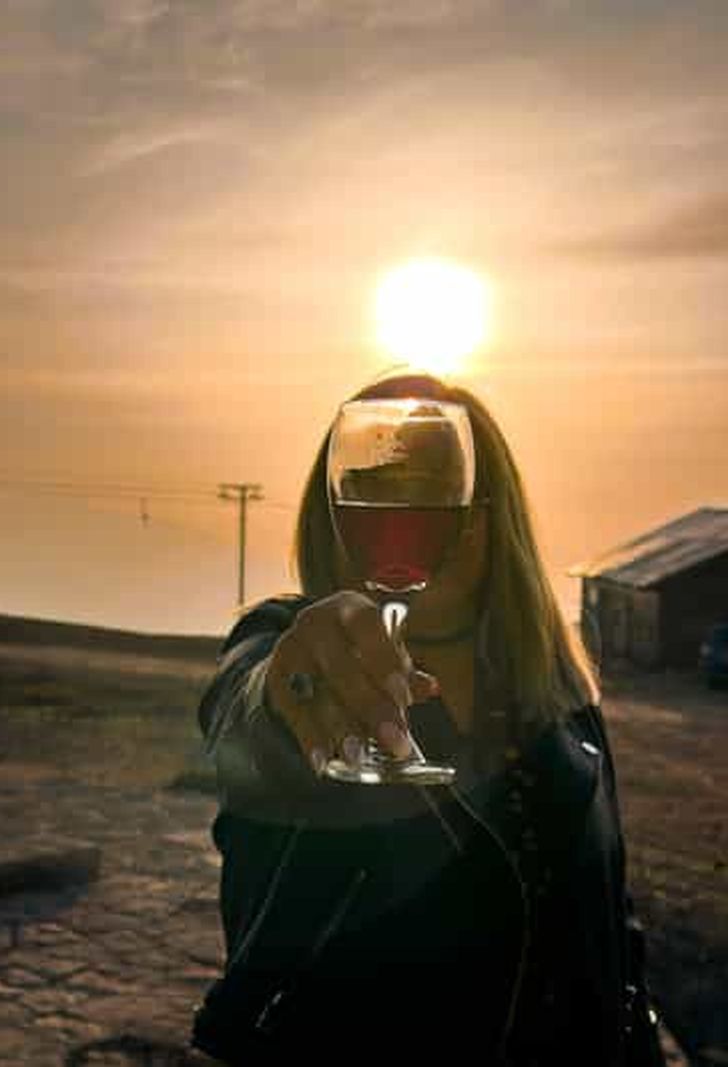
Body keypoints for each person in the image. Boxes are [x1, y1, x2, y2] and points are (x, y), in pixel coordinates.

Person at [189, 373, 666, 1066]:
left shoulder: (566, 709)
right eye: (380, 484)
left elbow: (617, 942)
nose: (411, 513)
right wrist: (286, 691)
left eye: (447, 486)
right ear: (336, 512)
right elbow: (244, 714)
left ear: (492, 515)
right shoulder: (289, 644)